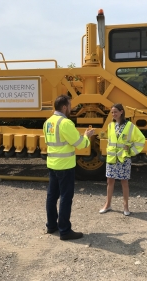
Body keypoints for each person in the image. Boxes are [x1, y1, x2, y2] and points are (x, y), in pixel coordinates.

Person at [43, 94, 95, 240]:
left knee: (52, 196)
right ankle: (65, 231)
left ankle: (51, 226)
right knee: (66, 197)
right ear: (64, 107)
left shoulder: (48, 122)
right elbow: (80, 144)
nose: (72, 109)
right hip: (65, 166)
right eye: (70, 106)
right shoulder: (65, 123)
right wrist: (87, 136)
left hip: (52, 164)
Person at [99, 103, 145, 216]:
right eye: (112, 112)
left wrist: (130, 150)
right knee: (109, 181)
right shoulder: (110, 126)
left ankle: (125, 206)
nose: (113, 114)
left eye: (115, 112)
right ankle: (108, 204)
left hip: (123, 158)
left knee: (124, 182)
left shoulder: (130, 126)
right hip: (112, 158)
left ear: (121, 112)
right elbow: (110, 141)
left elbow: (141, 140)